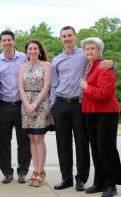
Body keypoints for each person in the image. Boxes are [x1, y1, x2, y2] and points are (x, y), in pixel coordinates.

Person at [50, 26, 115, 191]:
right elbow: (54, 83)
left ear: (75, 36)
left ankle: (81, 179)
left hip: (80, 104)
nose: (67, 39)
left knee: (82, 143)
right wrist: (53, 105)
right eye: (63, 36)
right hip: (61, 103)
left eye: (69, 35)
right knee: (63, 144)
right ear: (61, 39)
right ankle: (66, 179)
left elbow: (101, 62)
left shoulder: (85, 54)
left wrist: (113, 63)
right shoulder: (56, 60)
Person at [79, 37, 121, 197]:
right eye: (87, 49)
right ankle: (99, 182)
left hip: (106, 113)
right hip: (90, 112)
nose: (89, 51)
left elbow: (104, 94)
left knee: (106, 148)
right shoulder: (88, 66)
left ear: (99, 51)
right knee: (96, 149)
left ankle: (111, 185)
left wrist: (87, 87)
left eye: (93, 48)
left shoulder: (104, 66)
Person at [0, 30, 31, 184]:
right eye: (4, 40)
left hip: (22, 105)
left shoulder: (24, 58)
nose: (7, 42)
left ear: (14, 41)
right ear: (0, 42)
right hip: (3, 106)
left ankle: (22, 172)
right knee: (3, 142)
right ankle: (7, 172)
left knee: (24, 141)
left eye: (9, 40)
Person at [18, 40, 53, 187]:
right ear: (26, 51)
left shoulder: (46, 65)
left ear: (39, 51)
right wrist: (27, 104)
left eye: (35, 48)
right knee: (32, 138)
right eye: (29, 49)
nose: (32, 51)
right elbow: (20, 87)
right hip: (26, 104)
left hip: (41, 102)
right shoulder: (22, 67)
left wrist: (35, 104)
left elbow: (47, 85)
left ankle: (40, 171)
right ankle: (35, 169)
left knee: (39, 137)